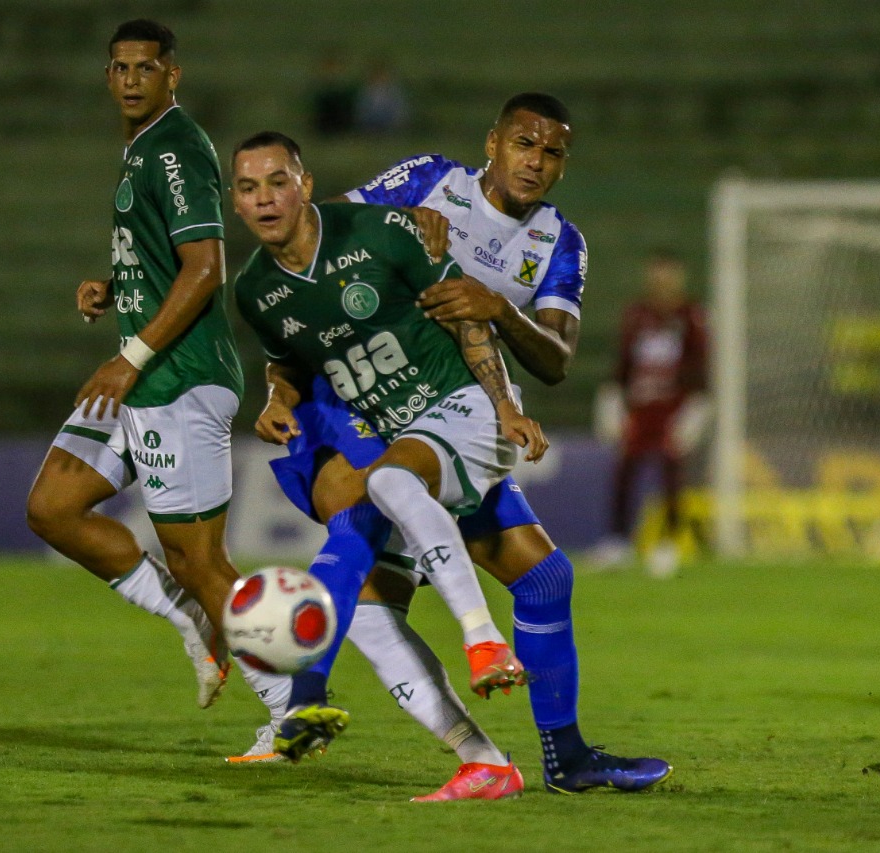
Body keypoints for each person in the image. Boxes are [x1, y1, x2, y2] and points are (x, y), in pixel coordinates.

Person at [256, 93, 672, 795]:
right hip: (366, 399)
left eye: (551, 152)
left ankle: (559, 759)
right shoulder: (428, 180)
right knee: (367, 535)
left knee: (540, 579)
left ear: (563, 165)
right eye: (523, 144)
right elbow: (314, 236)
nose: (535, 161)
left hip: (456, 413)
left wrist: (498, 306)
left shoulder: (559, 242)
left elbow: (556, 357)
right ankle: (297, 707)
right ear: (493, 142)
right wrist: (386, 227)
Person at [230, 130, 546, 797]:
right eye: (249, 187)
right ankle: (482, 759)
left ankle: (483, 637)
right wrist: (276, 397)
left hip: (463, 409)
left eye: (278, 181)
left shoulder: (384, 231)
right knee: (371, 611)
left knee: (394, 480)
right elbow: (290, 359)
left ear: (305, 184)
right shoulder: (256, 289)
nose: (265, 199)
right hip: (397, 437)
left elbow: (466, 318)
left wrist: (506, 406)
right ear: (235, 201)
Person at [24, 19, 293, 742]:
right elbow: (169, 256)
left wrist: (130, 353)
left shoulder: (173, 146)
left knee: (202, 559)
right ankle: (188, 618)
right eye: (121, 67)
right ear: (108, 78)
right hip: (144, 373)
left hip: (176, 376)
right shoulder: (142, 151)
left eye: (148, 66)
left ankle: (293, 705)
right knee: (54, 505)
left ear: (173, 74)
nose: (134, 78)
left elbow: (206, 266)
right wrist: (117, 285)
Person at [591, 250, 710, 578]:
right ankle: (617, 541)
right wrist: (612, 399)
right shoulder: (636, 314)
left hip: (673, 407)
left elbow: (700, 365)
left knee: (672, 475)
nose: (662, 280)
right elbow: (624, 362)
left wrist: (696, 407)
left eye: (668, 273)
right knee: (624, 471)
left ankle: (669, 544)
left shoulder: (691, 315)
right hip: (639, 408)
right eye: (657, 273)